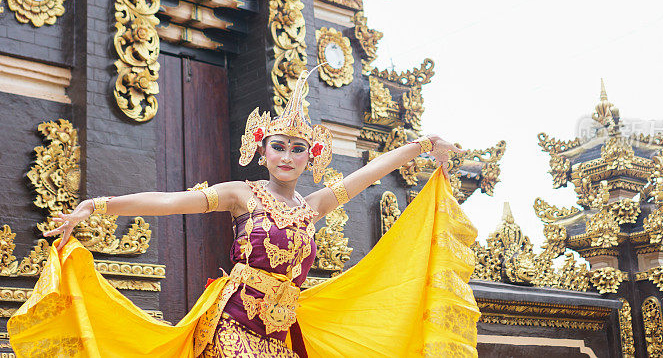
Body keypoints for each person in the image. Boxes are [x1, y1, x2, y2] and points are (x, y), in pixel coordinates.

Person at [9, 69, 481, 357]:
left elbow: (368, 173)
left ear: (310, 156)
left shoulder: (313, 206)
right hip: (233, 323)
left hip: (281, 334)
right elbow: (174, 202)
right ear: (263, 150)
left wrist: (422, 145)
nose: (288, 157)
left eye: (298, 149)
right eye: (279, 147)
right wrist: (100, 206)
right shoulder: (243, 194)